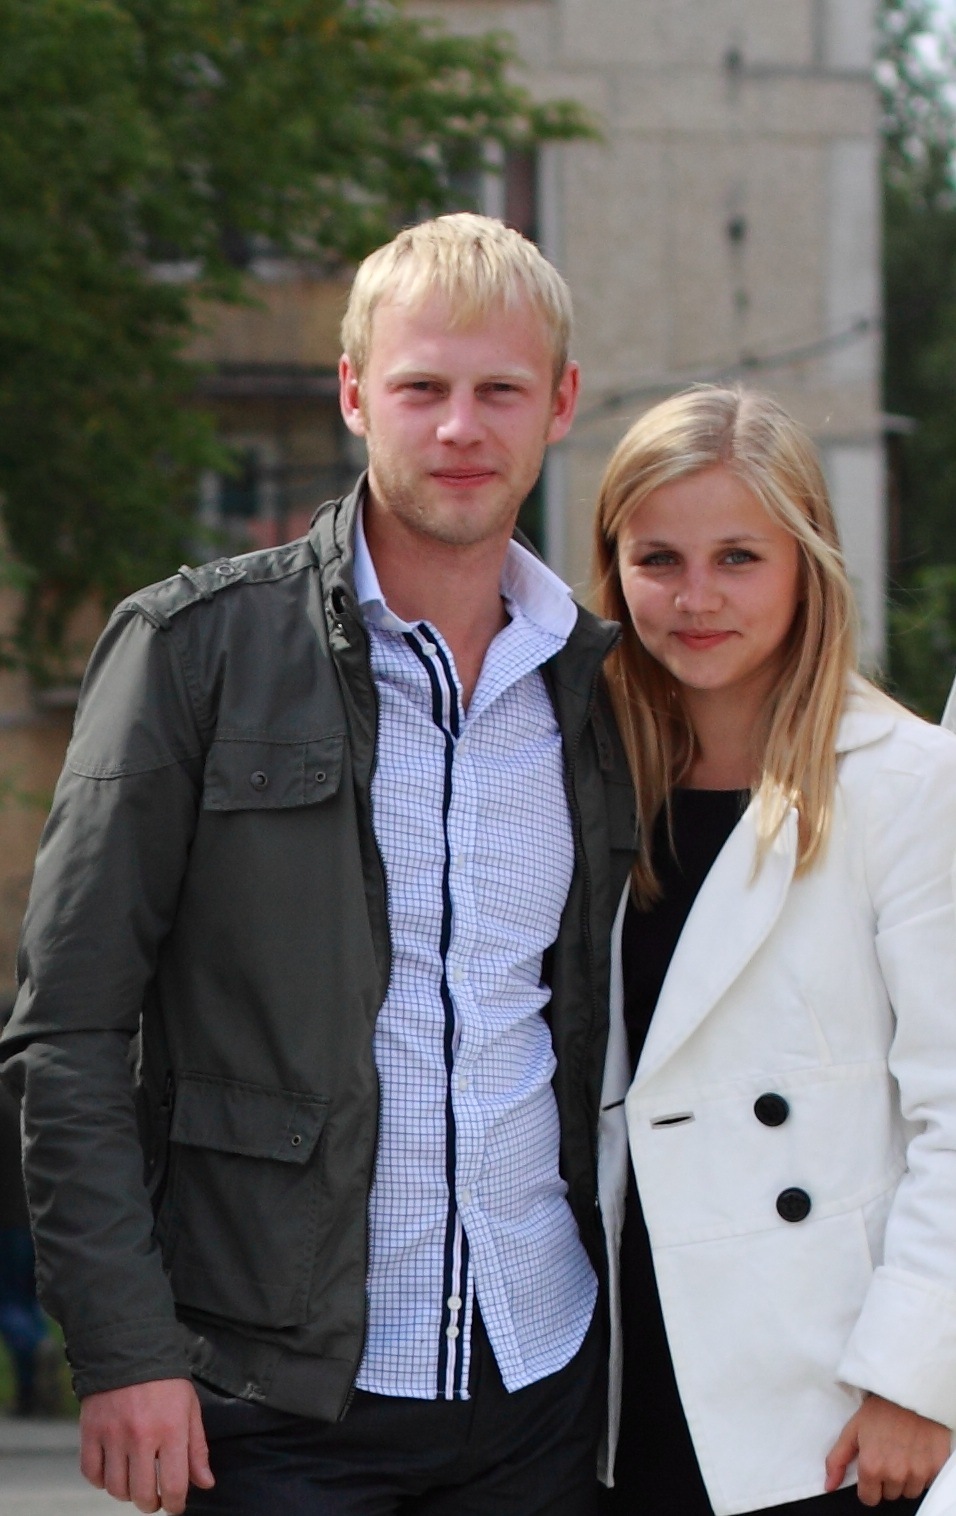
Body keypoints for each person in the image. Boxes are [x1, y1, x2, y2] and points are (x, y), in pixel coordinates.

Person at [0, 213, 635, 1515]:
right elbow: (66, 1031)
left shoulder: (603, 690)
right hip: (269, 1403)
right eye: (420, 387)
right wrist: (122, 1348)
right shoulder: (193, 651)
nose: (458, 427)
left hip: (542, 1383)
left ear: (560, 404)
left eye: (499, 390)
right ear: (354, 395)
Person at [592, 385, 956, 1516]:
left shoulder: (905, 782)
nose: (695, 598)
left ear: (807, 565)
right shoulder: (592, 778)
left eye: (738, 558)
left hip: (828, 1402)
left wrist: (914, 1377)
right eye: (658, 559)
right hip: (619, 1372)